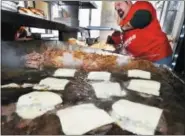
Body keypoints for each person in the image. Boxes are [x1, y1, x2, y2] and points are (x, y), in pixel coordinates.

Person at [107, 0, 173, 67]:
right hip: (142, 62)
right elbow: (116, 40)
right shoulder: (122, 24)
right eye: (115, 8)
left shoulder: (139, 5)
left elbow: (143, 18)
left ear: (128, 2)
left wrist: (124, 28)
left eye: (119, 4)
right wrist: (111, 41)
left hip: (159, 57)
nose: (117, 8)